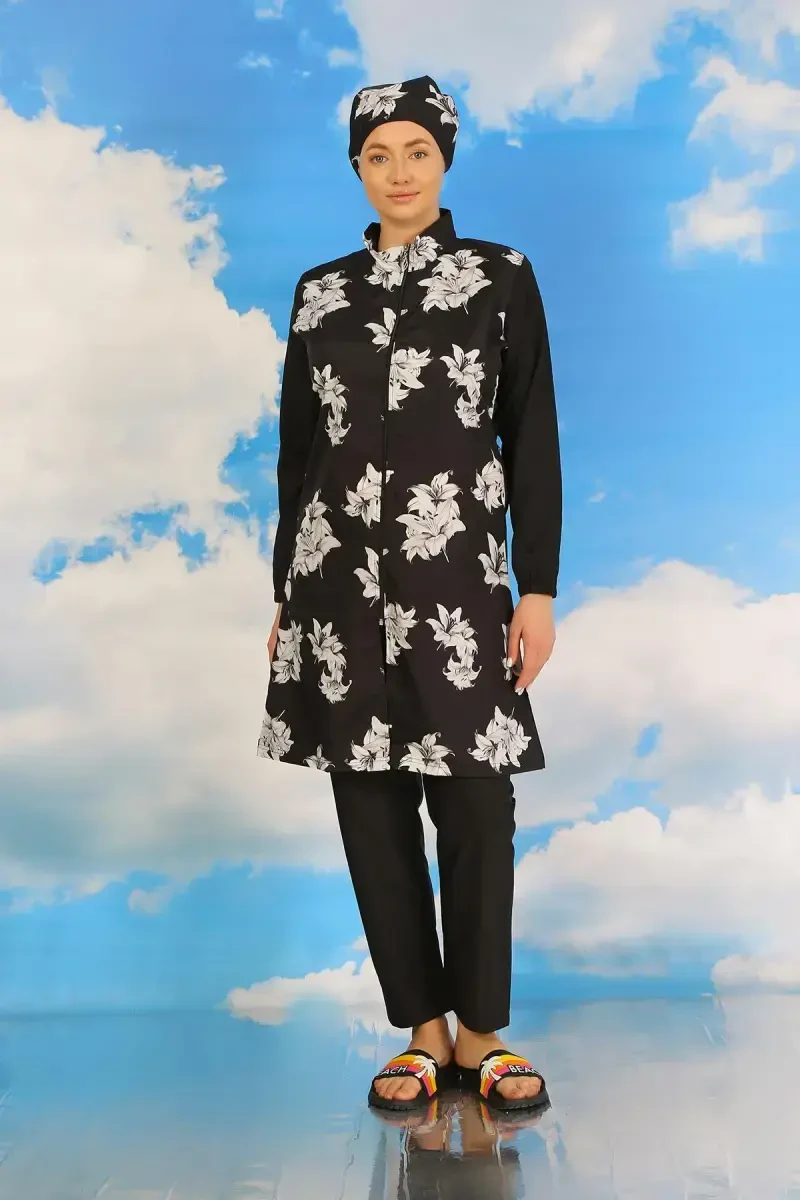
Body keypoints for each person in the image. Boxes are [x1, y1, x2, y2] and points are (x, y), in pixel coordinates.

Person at [258, 74, 562, 1113]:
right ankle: (423, 1034)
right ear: (357, 168)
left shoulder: (499, 278)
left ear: (444, 160)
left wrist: (538, 587)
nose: (398, 173)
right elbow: (298, 453)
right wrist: (285, 593)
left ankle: (482, 1033)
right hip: (335, 587)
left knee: (476, 804)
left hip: (459, 585)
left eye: (417, 153)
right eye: (378, 155)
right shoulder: (320, 292)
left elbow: (531, 435)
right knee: (370, 806)